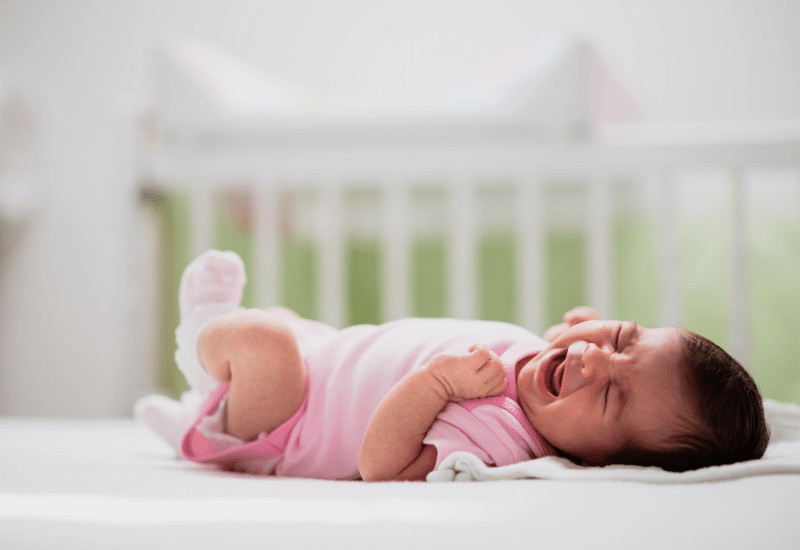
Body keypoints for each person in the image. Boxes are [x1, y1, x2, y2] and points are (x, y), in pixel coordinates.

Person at [135, 250, 769, 480]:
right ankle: (200, 407)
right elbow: (573, 337)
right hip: (326, 359)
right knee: (287, 326)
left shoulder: (501, 436)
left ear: (598, 461)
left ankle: (202, 353)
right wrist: (584, 333)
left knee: (263, 339)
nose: (594, 360)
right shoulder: (543, 362)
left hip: (290, 422)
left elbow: (381, 467)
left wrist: (436, 382)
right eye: (623, 338)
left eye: (613, 398)